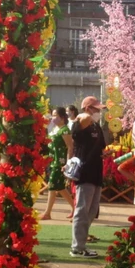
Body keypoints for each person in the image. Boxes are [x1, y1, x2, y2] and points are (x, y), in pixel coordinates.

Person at [70, 96, 107, 258]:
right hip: (85, 173)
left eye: (99, 109)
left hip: (97, 172)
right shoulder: (81, 124)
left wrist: (105, 154)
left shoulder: (97, 127)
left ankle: (81, 243)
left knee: (92, 211)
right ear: (87, 109)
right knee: (82, 210)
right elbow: (76, 131)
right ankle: (77, 247)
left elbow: (101, 147)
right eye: (95, 109)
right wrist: (82, 117)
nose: (98, 112)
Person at [41, 107, 74, 221]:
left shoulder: (65, 130)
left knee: (52, 186)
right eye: (53, 115)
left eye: (55, 115)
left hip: (59, 163)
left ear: (62, 117)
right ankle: (75, 208)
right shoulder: (55, 129)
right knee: (59, 187)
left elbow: (70, 147)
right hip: (51, 160)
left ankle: (47, 213)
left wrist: (68, 163)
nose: (53, 117)